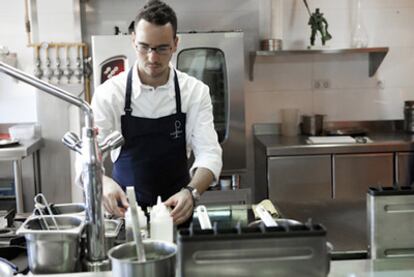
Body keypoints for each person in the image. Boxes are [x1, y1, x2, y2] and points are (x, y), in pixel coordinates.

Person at [84, 0, 222, 226]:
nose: (152, 57)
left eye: (162, 48)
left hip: (176, 215)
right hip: (124, 217)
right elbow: (87, 156)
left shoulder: (195, 92)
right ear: (132, 41)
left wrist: (191, 192)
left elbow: (210, 154)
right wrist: (103, 182)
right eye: (144, 46)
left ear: (176, 43)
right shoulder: (109, 94)